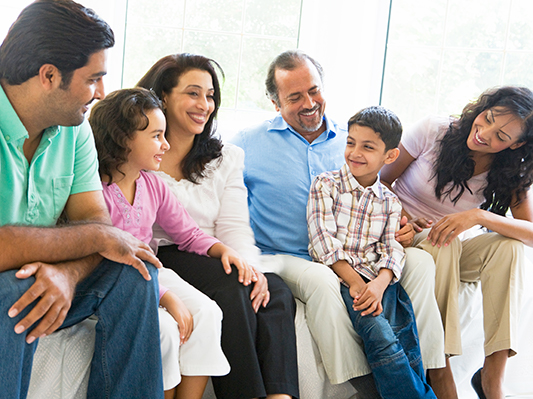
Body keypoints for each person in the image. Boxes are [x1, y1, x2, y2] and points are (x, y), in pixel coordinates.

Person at [232, 49, 448, 398]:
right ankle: (365, 386)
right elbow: (222, 200)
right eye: (294, 97)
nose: (309, 102)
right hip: (288, 256)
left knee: (421, 261)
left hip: (355, 252)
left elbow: (378, 199)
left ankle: (427, 370)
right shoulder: (246, 143)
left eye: (313, 90)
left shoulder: (353, 138)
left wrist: (402, 228)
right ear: (275, 103)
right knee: (321, 280)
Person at [0, 1, 164, 398]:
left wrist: (69, 274)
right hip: (8, 285)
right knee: (13, 293)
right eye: (94, 78)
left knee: (135, 270)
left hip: (47, 272)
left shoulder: (73, 129)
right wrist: (94, 240)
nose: (102, 92)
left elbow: (98, 224)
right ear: (49, 76)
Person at [137, 53, 299, 399]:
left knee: (276, 292)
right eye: (193, 93)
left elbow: (235, 226)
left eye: (210, 96)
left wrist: (250, 268)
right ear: (163, 96)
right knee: (231, 287)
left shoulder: (225, 157)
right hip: (166, 252)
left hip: (214, 251)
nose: (204, 104)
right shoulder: (140, 151)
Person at [380, 86, 533, 399]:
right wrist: (406, 217)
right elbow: (380, 180)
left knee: (511, 248)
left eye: (501, 136)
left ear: (516, 144)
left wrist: (481, 216)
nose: (485, 133)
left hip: (453, 249)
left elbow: (528, 231)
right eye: (487, 118)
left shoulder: (509, 171)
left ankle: (492, 377)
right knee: (445, 240)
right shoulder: (434, 131)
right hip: (407, 237)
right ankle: (440, 368)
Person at [89, 87, 231, 399]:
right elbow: (103, 260)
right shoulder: (94, 189)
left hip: (150, 271)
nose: (166, 145)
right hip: (116, 279)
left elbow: (188, 234)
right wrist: (165, 297)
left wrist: (223, 250)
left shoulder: (152, 184)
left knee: (208, 313)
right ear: (124, 139)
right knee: (165, 330)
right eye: (156, 136)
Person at [307, 106, 436, 399]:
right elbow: (322, 241)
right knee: (379, 335)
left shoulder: (390, 201)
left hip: (379, 282)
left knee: (405, 336)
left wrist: (379, 284)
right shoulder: (325, 185)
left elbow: (391, 247)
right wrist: (357, 284)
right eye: (351, 142)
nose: (355, 152)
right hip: (344, 279)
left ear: (389, 156)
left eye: (368, 147)